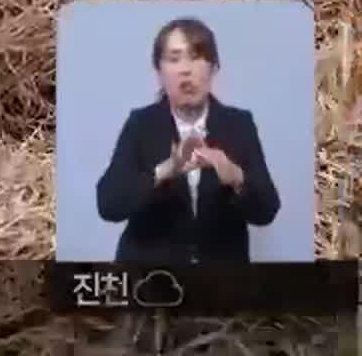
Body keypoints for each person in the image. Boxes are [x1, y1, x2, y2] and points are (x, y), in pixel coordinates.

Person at [95, 17, 280, 263]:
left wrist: (236, 177)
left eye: (195, 57)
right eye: (174, 58)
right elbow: (108, 205)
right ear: (159, 71)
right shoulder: (141, 124)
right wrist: (164, 171)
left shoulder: (238, 124)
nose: (185, 69)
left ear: (213, 68)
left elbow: (267, 211)